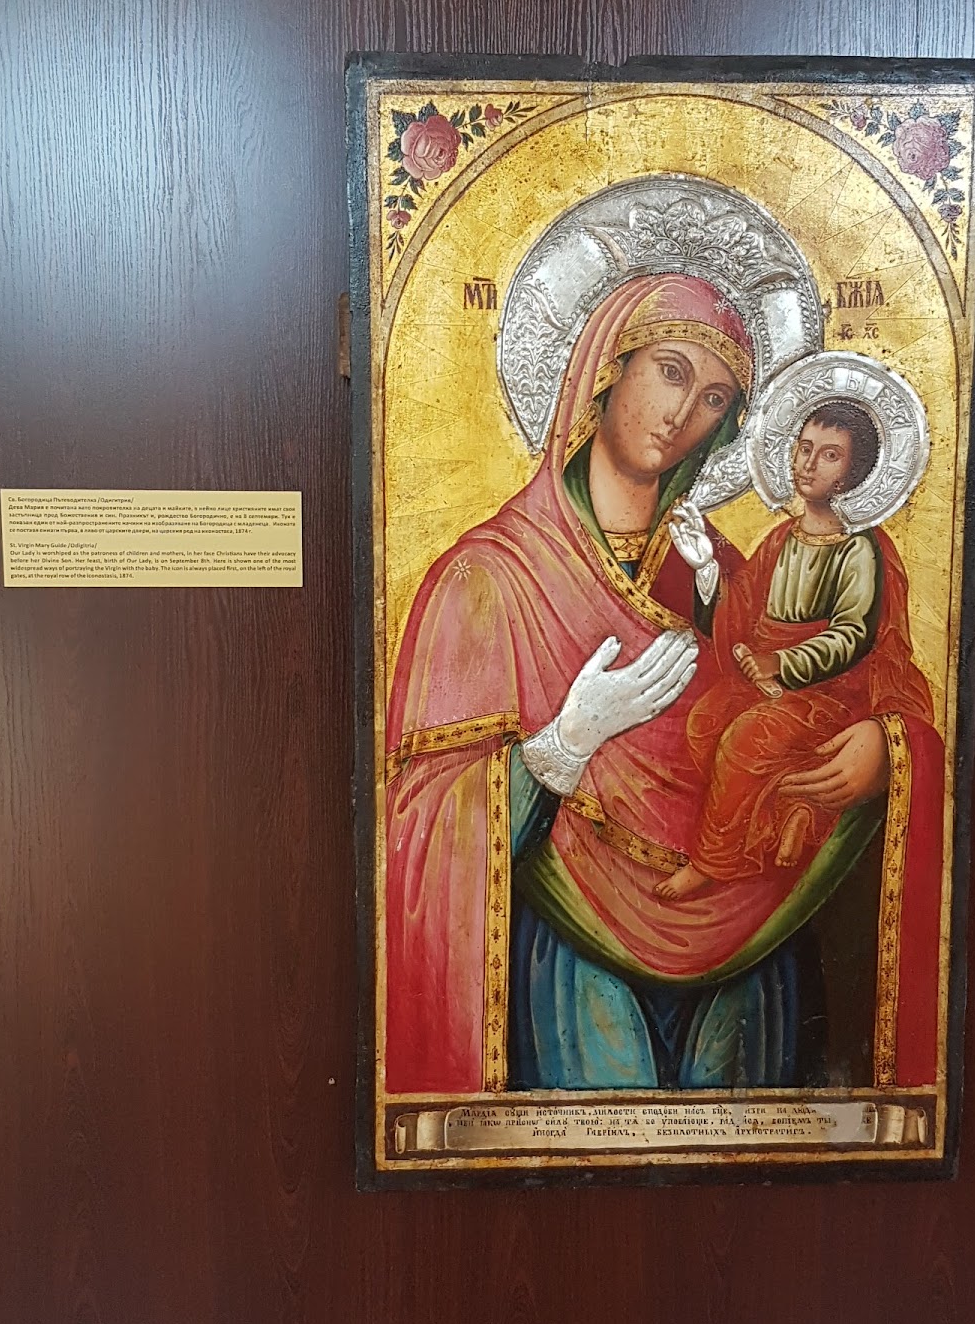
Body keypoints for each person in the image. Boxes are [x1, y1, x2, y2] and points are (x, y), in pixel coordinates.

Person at [385, 272, 944, 1096]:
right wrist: (562, 746)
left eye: (715, 398)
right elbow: (419, 825)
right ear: (605, 372)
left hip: (753, 940)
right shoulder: (486, 578)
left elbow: (871, 681)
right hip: (571, 947)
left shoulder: (727, 570)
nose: (683, 413)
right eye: (671, 372)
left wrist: (885, 752)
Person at [659, 398, 935, 898]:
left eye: (829, 455)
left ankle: (712, 862)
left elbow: (851, 636)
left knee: (748, 740)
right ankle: (795, 810)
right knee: (703, 726)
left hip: (830, 694)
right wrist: (707, 572)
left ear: (854, 472)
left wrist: (780, 662)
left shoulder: (859, 549)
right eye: (804, 448)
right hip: (769, 682)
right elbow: (742, 611)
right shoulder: (781, 538)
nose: (808, 463)